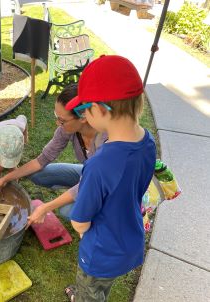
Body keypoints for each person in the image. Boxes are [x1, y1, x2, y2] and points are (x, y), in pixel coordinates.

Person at [64, 55, 156, 301]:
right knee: (103, 285)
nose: (83, 115)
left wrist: (85, 233)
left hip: (101, 253)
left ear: (101, 109)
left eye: (84, 108)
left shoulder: (99, 165)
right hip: (129, 242)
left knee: (90, 291)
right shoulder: (148, 142)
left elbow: (80, 222)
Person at [0, 84, 107, 222]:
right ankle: (84, 198)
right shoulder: (67, 130)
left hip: (106, 187)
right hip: (88, 176)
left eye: (62, 120)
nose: (58, 123)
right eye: (56, 116)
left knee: (68, 211)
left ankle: (105, 212)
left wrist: (46, 207)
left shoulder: (106, 142)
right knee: (38, 175)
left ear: (83, 117)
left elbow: (92, 182)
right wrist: (6, 178)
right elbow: (42, 160)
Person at [0, 115, 28, 192]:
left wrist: (25, 136)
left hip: (11, 140)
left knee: (13, 168)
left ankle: (14, 184)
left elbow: (23, 117)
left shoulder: (20, 125)